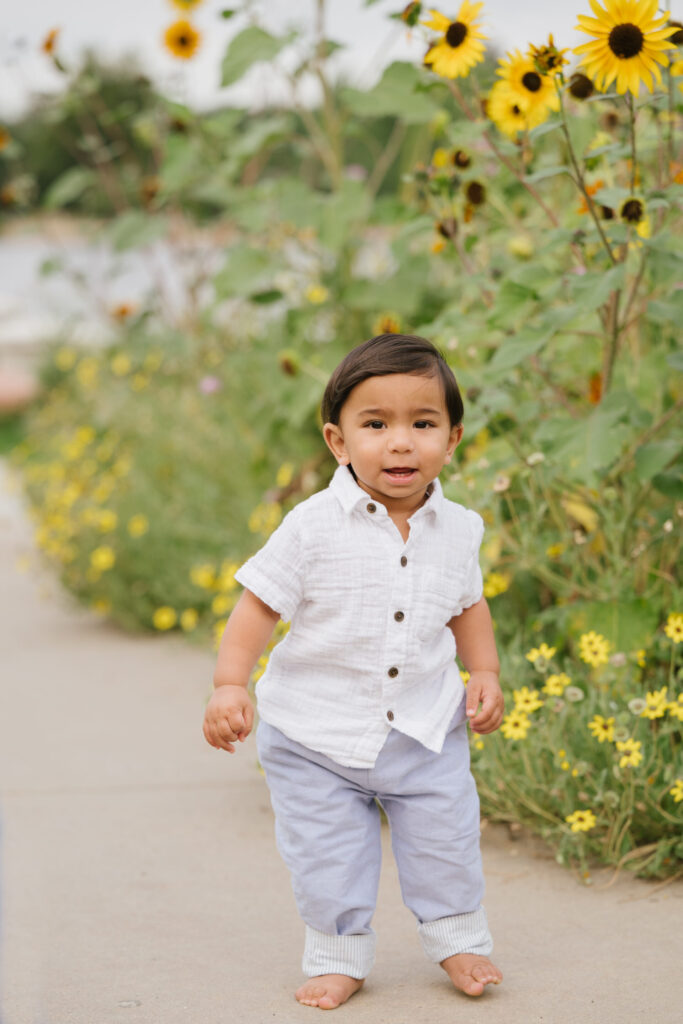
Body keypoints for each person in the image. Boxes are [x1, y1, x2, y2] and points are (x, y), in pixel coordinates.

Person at [203, 333, 505, 1010]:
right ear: (338, 442)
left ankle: (457, 939)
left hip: (423, 729)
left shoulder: (460, 530)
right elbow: (257, 606)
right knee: (327, 854)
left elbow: (468, 605)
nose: (400, 443)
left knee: (446, 839)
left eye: (421, 424)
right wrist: (230, 682)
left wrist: (482, 670)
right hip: (313, 735)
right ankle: (339, 953)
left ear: (452, 439)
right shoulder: (311, 527)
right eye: (376, 425)